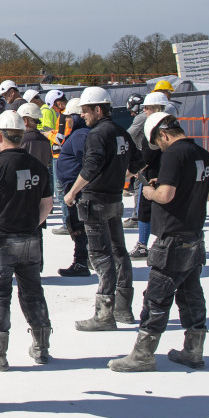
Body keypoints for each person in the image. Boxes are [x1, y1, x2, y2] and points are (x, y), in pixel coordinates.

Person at [109, 113, 209, 372]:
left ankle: (143, 355)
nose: (160, 147)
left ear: (163, 134)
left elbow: (165, 196)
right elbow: (207, 194)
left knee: (156, 299)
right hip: (194, 237)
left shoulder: (173, 155)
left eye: (159, 142)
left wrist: (149, 191)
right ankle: (193, 350)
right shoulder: (203, 154)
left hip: (172, 239)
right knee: (191, 296)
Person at [0, 111, 53, 371]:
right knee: (34, 293)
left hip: (2, 242)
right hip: (31, 239)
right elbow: (47, 204)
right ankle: (41, 347)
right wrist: (29, 224)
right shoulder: (38, 166)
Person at [63, 85, 142, 329]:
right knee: (120, 252)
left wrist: (73, 192)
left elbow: (91, 167)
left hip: (95, 200)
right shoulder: (120, 132)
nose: (83, 115)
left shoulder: (97, 135)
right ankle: (124, 309)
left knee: (100, 255)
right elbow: (138, 162)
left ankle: (104, 315)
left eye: (86, 111)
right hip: (115, 200)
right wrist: (118, 173)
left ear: (98, 109)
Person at [126, 91, 172, 258]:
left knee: (144, 209)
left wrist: (130, 172)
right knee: (162, 209)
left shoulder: (153, 128)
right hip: (165, 172)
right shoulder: (172, 124)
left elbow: (147, 156)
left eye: (147, 108)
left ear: (155, 108)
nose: (144, 110)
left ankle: (143, 244)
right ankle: (161, 242)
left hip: (152, 174)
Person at [54, 100, 91, 277]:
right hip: (75, 186)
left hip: (77, 188)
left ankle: (81, 262)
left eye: (69, 117)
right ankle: (86, 258)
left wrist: (74, 191)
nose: (66, 121)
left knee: (78, 225)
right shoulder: (79, 133)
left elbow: (87, 164)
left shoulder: (80, 136)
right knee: (78, 225)